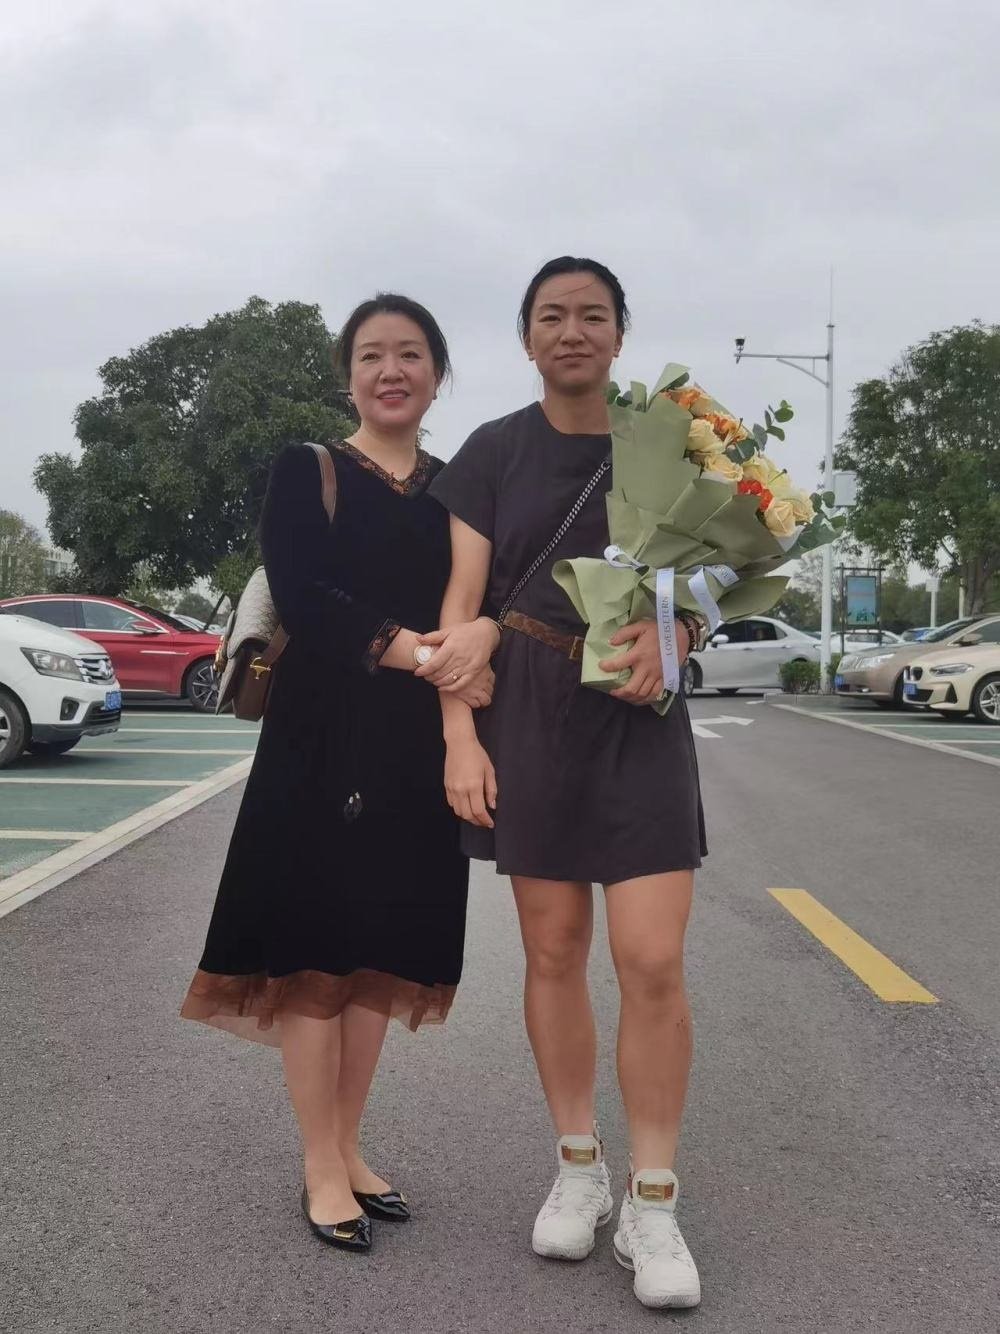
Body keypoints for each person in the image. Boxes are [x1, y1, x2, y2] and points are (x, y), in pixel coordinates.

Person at [181, 294, 497, 1253]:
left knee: (377, 952)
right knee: (315, 947)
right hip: (321, 738)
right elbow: (306, 594)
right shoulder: (307, 467)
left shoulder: (460, 487)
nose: (391, 370)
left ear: (438, 372)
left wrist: (466, 652)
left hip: (418, 742)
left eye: (410, 354)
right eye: (371, 355)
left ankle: (351, 1146)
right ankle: (320, 1161)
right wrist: (424, 653)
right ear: (348, 375)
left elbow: (488, 594)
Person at [425, 258, 708, 1310]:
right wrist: (460, 737)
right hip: (532, 712)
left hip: (640, 714)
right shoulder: (492, 452)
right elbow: (460, 608)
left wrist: (681, 633)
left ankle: (654, 1201)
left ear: (620, 334)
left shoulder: (670, 444)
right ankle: (579, 1165)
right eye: (552, 315)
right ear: (527, 338)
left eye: (593, 314)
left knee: (653, 959)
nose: (573, 330)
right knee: (552, 951)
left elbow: (708, 578)